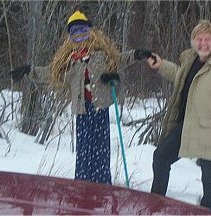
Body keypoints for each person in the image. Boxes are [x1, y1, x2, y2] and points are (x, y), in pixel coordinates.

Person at [146, 20, 211, 209]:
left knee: (210, 173)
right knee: (161, 157)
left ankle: (210, 209)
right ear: (193, 41)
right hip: (187, 125)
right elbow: (179, 75)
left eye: (208, 39)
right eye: (199, 39)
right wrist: (161, 65)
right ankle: (155, 203)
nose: (203, 43)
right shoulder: (192, 60)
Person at [50, 10, 151, 185]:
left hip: (100, 109)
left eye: (82, 30)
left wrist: (136, 54)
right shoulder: (69, 61)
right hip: (82, 110)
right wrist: (30, 71)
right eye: (74, 32)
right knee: (84, 151)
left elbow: (120, 60)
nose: (79, 35)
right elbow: (51, 74)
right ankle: (82, 185)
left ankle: (102, 185)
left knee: (100, 149)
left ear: (90, 31)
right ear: (70, 36)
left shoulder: (101, 55)